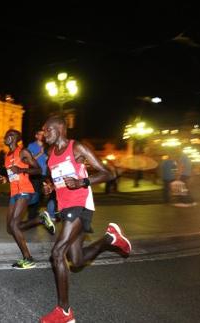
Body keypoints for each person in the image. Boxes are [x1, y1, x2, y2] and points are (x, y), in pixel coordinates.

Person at [39, 116, 132, 323]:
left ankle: (64, 312)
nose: (44, 135)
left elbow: (108, 173)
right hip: (66, 209)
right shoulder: (50, 155)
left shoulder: (77, 148)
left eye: (47, 131)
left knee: (57, 253)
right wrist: (50, 188)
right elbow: (59, 181)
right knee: (77, 260)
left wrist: (83, 181)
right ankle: (109, 239)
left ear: (60, 129)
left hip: (81, 205)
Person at [0, 129, 56, 270]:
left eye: (8, 135)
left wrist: (22, 170)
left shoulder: (23, 152)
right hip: (14, 192)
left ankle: (28, 258)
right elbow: (13, 174)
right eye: (5, 135)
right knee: (10, 228)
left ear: (14, 138)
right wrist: (7, 178)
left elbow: (37, 169)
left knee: (14, 225)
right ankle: (40, 219)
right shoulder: (7, 156)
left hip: (25, 190)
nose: (5, 137)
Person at [27, 130, 48, 219]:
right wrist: (40, 153)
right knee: (35, 193)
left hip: (45, 174)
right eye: (40, 134)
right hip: (35, 174)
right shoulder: (31, 146)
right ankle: (31, 214)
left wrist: (47, 157)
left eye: (44, 134)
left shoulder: (47, 146)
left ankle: (36, 210)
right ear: (36, 135)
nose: (42, 136)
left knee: (42, 194)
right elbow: (29, 160)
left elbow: (49, 159)